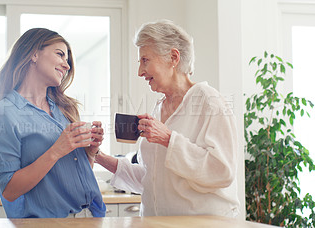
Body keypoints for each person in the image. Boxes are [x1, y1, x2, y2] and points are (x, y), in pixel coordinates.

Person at [95, 20, 240, 217]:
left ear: (173, 57)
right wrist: (98, 156)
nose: (140, 72)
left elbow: (222, 172)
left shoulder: (209, 101)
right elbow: (152, 180)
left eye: (145, 60)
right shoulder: (158, 108)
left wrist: (168, 139)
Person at [0, 28, 106, 218]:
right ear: (33, 53)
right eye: (60, 55)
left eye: (68, 61)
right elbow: (9, 190)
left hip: (91, 217)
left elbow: (72, 176)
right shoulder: (5, 115)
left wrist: (89, 153)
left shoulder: (65, 108)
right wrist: (57, 150)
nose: (66, 65)